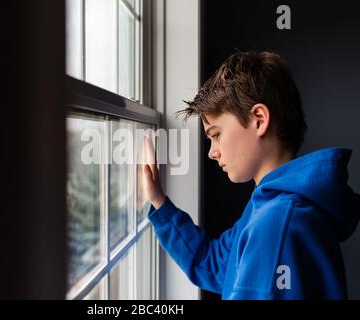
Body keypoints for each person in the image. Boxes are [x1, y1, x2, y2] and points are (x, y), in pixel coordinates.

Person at [142, 51, 360, 299]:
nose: (212, 152)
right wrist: (159, 202)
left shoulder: (276, 223)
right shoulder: (270, 205)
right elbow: (214, 267)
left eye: (216, 135)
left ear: (259, 119)